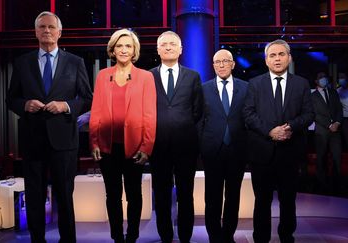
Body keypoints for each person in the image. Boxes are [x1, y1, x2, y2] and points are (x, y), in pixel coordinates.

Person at [6, 11, 92, 243]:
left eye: (51, 27)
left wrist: (65, 105)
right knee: (34, 196)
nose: (46, 31)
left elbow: (87, 98)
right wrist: (25, 104)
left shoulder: (75, 62)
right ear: (35, 32)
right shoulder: (23, 62)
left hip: (64, 141)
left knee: (64, 196)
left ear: (59, 32)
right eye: (42, 27)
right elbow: (10, 99)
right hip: (32, 140)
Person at [242, 39, 314, 243]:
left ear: (289, 57)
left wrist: (290, 126)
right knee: (262, 201)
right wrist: (270, 131)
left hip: (290, 153)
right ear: (266, 60)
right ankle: (261, 238)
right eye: (272, 55)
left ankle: (286, 236)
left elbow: (309, 114)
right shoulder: (255, 84)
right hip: (262, 153)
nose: (277, 59)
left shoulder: (301, 83)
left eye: (281, 54)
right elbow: (248, 114)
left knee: (288, 201)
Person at [89, 28, 157, 243]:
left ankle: (132, 236)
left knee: (134, 195)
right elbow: (96, 111)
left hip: (135, 147)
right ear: (113, 49)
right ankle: (117, 237)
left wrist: (147, 148)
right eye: (119, 46)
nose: (124, 50)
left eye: (128, 46)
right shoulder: (102, 76)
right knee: (113, 195)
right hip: (108, 146)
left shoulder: (145, 77)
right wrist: (94, 141)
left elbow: (150, 115)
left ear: (134, 50)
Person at [149, 31, 204, 243]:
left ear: (181, 49)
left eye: (173, 44)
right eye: (164, 44)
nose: (169, 47)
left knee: (185, 195)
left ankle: (185, 237)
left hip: (186, 147)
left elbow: (198, 111)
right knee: (161, 197)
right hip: (158, 146)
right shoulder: (148, 76)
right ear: (158, 49)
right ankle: (165, 237)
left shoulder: (193, 76)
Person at [199, 49, 248, 243]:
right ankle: (214, 235)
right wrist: (202, 145)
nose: (221, 65)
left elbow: (249, 117)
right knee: (212, 196)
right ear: (213, 66)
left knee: (233, 196)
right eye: (217, 62)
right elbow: (199, 120)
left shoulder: (246, 88)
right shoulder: (203, 89)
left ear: (233, 64)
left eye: (225, 61)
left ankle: (228, 235)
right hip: (212, 150)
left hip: (237, 149)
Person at [311, 72, 343, 188]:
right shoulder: (313, 96)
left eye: (324, 77)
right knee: (321, 156)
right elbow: (314, 114)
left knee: (337, 156)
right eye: (320, 77)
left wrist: (337, 123)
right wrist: (329, 125)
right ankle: (321, 182)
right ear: (316, 81)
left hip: (336, 130)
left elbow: (339, 109)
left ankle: (336, 181)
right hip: (322, 131)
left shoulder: (333, 93)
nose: (323, 79)